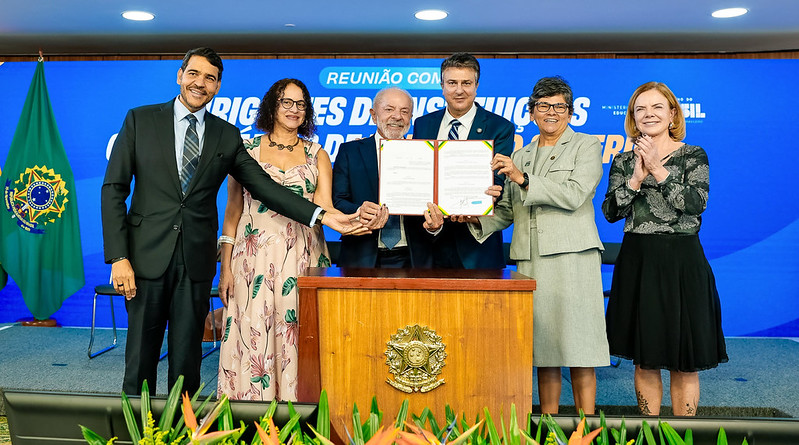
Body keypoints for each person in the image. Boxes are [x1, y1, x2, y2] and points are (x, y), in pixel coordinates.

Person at [101, 48, 361, 396]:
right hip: (145, 258)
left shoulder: (226, 135)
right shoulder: (140, 120)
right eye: (194, 74)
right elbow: (113, 190)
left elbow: (265, 188)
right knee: (140, 357)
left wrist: (323, 215)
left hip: (195, 260)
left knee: (186, 360)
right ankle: (136, 432)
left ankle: (182, 432)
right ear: (180, 76)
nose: (200, 83)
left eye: (210, 78)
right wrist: (119, 257)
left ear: (218, 85)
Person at [461, 76, 609, 414]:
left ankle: (588, 427)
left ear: (570, 113)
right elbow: (508, 211)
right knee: (544, 350)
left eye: (559, 106)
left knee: (580, 348)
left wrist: (521, 178)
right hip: (531, 260)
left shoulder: (587, 145)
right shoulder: (521, 154)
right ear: (531, 113)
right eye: (543, 106)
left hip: (573, 256)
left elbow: (574, 195)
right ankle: (550, 424)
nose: (551, 113)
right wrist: (472, 218)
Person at [602, 81, 727, 416]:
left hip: (681, 260)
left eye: (657, 107)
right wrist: (636, 178)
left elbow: (694, 204)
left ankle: (682, 435)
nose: (649, 114)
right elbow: (611, 212)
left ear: (672, 113)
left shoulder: (693, 155)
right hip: (638, 261)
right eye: (641, 109)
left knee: (684, 361)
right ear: (632, 117)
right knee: (645, 358)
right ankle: (650, 432)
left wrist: (657, 169)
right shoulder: (623, 160)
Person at [216, 78, 340, 400]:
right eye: (287, 102)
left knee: (297, 332)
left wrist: (355, 221)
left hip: (303, 257)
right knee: (253, 332)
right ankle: (248, 415)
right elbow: (232, 212)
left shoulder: (318, 154)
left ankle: (297, 413)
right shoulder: (245, 149)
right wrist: (225, 268)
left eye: (301, 104)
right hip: (251, 261)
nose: (294, 110)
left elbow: (325, 209)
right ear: (272, 105)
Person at [412, 52, 515, 269]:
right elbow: (418, 173)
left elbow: (498, 177)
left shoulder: (500, 127)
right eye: (452, 83)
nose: (459, 90)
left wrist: (489, 191)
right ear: (442, 86)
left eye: (466, 83)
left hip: (477, 247)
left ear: (476, 86)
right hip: (431, 242)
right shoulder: (423, 124)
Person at [332, 87, 443, 268]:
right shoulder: (350, 151)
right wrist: (360, 211)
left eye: (404, 111)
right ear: (373, 115)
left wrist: (435, 226)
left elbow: (438, 205)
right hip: (360, 257)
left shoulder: (426, 153)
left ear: (411, 118)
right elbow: (337, 201)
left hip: (416, 259)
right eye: (389, 109)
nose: (397, 116)